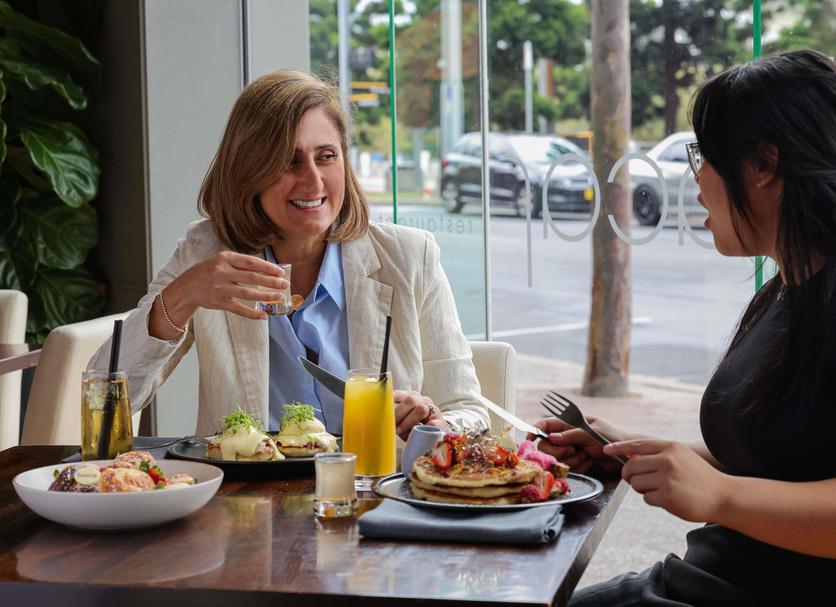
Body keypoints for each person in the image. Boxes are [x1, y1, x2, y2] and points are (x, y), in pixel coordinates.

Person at [534, 50, 836, 605]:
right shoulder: (788, 289)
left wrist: (719, 496)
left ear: (765, 164)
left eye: (704, 154)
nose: (696, 178)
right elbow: (782, 458)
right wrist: (627, 449)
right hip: (706, 580)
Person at [90, 70, 489, 439]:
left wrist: (433, 421)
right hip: (246, 490)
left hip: (373, 486)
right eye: (288, 161)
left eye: (326, 156)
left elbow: (469, 411)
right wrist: (182, 296)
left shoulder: (409, 257)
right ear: (249, 170)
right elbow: (103, 399)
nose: (313, 181)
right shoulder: (207, 251)